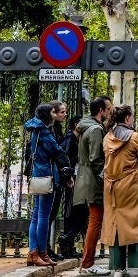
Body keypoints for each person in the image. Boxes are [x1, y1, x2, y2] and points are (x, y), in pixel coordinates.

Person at [101, 105, 138, 277]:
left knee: (116, 223)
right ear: (127, 118)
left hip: (111, 185)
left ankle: (118, 268)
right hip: (131, 184)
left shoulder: (107, 138)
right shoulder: (134, 137)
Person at [25, 103, 71, 267]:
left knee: (36, 215)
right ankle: (41, 252)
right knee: (43, 215)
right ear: (46, 115)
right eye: (52, 111)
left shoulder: (35, 129)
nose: (54, 114)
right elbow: (57, 150)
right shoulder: (44, 132)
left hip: (38, 174)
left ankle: (33, 252)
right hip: (47, 174)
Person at [75, 96, 113, 277]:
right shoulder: (96, 129)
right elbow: (96, 159)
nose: (110, 112)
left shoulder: (85, 126)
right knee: (95, 222)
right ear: (101, 111)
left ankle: (87, 261)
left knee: (93, 222)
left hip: (85, 178)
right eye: (109, 108)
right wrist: (105, 177)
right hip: (94, 181)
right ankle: (88, 263)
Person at [58, 114, 88, 260]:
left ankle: (68, 245)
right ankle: (67, 239)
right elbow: (66, 157)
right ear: (76, 124)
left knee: (75, 213)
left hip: (75, 178)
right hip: (73, 179)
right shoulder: (70, 138)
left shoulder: (75, 138)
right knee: (80, 213)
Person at [45, 101, 70, 260]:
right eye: (62, 112)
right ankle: (44, 249)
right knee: (47, 215)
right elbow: (57, 154)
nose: (64, 114)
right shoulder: (49, 131)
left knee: (51, 215)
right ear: (53, 113)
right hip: (51, 177)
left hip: (57, 176)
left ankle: (47, 248)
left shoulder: (57, 129)